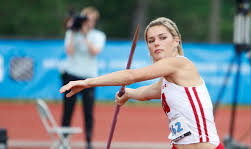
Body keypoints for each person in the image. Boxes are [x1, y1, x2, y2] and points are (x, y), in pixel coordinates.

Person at [60, 17, 224, 149]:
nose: (156, 43)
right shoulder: (167, 80)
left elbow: (131, 76)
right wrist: (129, 93)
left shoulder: (180, 64)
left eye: (162, 37)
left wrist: (87, 82)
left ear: (176, 41)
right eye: (151, 40)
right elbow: (147, 93)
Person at [60, 6, 106, 149]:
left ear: (94, 22)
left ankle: (88, 142)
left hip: (89, 78)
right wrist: (74, 31)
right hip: (71, 75)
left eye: (91, 20)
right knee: (68, 110)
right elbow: (69, 51)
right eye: (85, 19)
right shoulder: (71, 33)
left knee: (88, 112)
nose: (87, 22)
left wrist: (85, 36)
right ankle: (64, 142)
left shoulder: (98, 35)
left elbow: (94, 52)